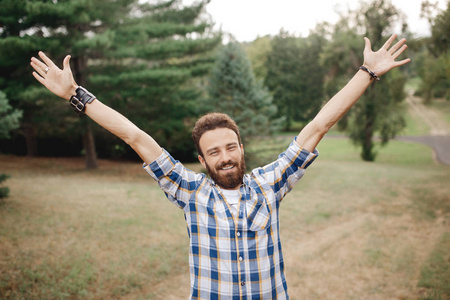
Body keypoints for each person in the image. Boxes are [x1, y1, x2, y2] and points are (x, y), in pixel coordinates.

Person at [30, 34, 410, 299]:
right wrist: (76, 96)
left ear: (241, 148)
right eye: (214, 152)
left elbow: (319, 125)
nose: (225, 156)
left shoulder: (270, 183)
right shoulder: (189, 191)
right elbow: (136, 137)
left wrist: (367, 73)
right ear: (202, 160)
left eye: (231, 147)